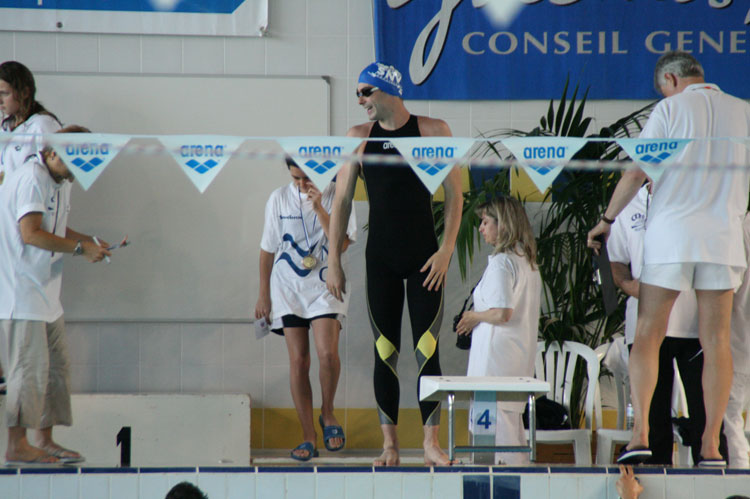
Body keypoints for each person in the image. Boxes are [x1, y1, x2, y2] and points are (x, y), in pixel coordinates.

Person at [587, 51, 750, 466]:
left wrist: (607, 220)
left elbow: (636, 172)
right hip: (723, 239)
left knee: (647, 334)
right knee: (716, 342)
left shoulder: (670, 109)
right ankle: (710, 447)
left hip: (672, 237)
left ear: (672, 80)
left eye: (662, 89)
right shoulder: (743, 111)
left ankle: (640, 434)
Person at [326, 62, 463, 466]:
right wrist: (333, 260)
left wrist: (446, 250)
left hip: (425, 258)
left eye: (365, 91)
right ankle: (390, 445)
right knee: (384, 350)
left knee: (427, 349)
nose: (359, 100)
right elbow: (341, 201)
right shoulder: (358, 138)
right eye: (357, 93)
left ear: (389, 90)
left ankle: (430, 443)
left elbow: (455, 195)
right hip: (381, 259)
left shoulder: (433, 131)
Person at [0, 125, 111, 465]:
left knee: (55, 371)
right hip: (21, 294)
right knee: (27, 371)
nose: (80, 169)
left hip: (47, 294)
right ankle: (17, 445)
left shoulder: (61, 180)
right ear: (51, 154)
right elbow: (31, 234)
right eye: (75, 161)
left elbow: (56, 228)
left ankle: (44, 440)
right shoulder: (31, 178)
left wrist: (89, 241)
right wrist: (80, 249)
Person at [608, 184, 727, 465]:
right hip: (645, 323)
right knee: (653, 417)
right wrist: (628, 284)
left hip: (695, 323)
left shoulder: (696, 194)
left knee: (704, 414)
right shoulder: (627, 202)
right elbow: (617, 261)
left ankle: (714, 475)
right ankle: (652, 477)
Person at [255, 157, 356, 461]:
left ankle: (328, 412)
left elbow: (342, 244)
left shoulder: (339, 193)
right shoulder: (278, 198)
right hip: (287, 286)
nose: (301, 184)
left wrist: (320, 209)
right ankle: (308, 435)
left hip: (326, 282)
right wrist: (263, 295)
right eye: (295, 178)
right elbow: (267, 249)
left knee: (327, 354)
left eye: (306, 178)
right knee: (299, 361)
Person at [455, 196, 541, 465]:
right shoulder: (527, 261)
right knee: (513, 440)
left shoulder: (502, 262)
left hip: (494, 367)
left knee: (494, 450)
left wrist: (473, 317)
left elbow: (502, 312)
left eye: (485, 222)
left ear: (502, 224)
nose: (481, 228)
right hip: (515, 360)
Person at [0, 61, 61, 182]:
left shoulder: (43, 125)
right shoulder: (5, 127)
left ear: (25, 93)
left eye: (4, 94)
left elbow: (57, 176)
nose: (0, 100)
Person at [725, 212, 750, 468]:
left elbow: (728, 286)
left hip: (739, 339)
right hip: (739, 338)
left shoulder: (741, 227)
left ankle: (738, 476)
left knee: (731, 420)